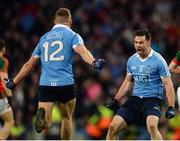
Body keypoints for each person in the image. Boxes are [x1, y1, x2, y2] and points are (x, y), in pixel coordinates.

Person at [5, 8, 105, 140]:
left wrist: (14, 82)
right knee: (66, 118)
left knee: (46, 122)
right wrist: (93, 62)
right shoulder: (72, 35)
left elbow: (29, 65)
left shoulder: (43, 38)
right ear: (70, 21)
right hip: (65, 83)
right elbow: (83, 52)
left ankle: (43, 117)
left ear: (54, 21)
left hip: (46, 83)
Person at [106, 28, 175, 140]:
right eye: (136, 42)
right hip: (135, 100)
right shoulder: (131, 60)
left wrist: (171, 106)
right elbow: (128, 82)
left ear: (148, 42)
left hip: (152, 100)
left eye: (141, 42)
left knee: (152, 127)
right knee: (113, 127)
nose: (138, 45)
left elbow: (168, 84)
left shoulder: (158, 60)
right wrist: (116, 99)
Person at [0, 39, 14, 139]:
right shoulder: (3, 61)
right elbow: (4, 80)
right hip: (0, 97)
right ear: (3, 49)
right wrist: (10, 96)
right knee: (9, 121)